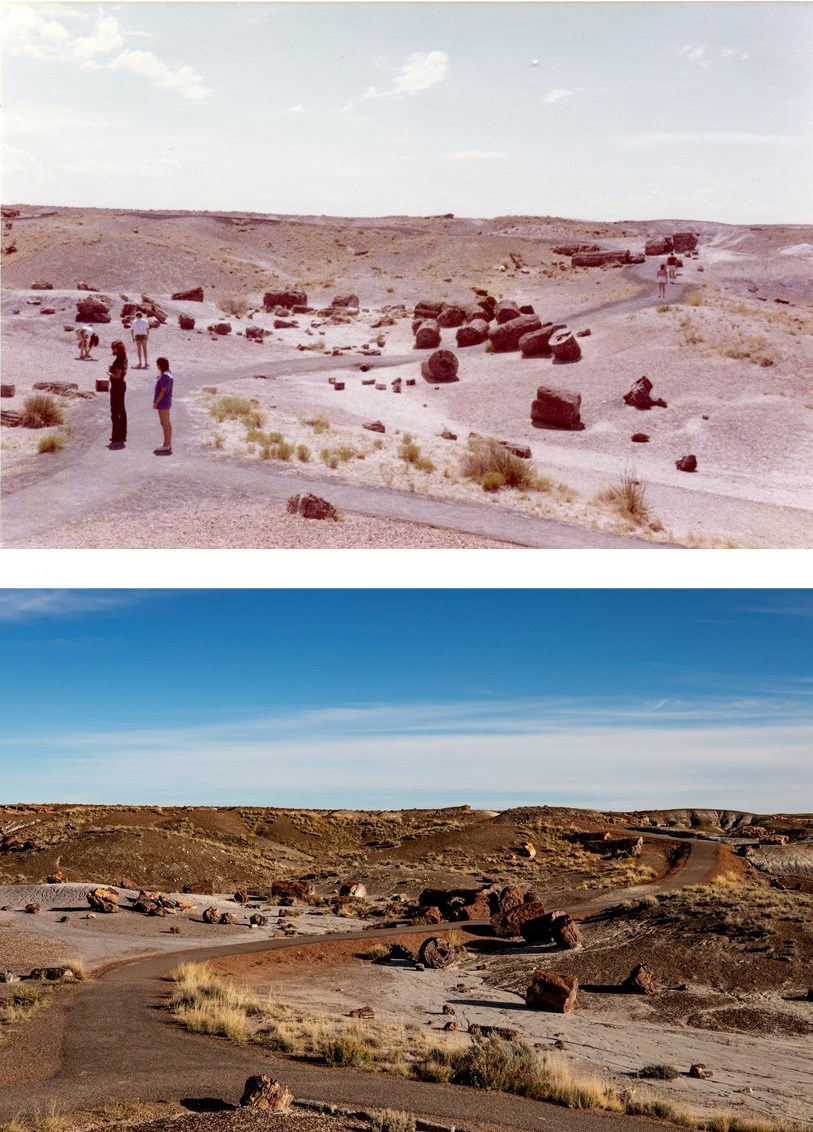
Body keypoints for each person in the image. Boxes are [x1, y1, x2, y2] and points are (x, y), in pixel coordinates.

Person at [108, 340, 128, 449]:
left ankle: (116, 435)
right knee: (121, 410)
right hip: (121, 386)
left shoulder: (120, 359)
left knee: (115, 411)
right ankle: (122, 434)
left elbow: (117, 375)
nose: (113, 350)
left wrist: (109, 372)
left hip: (117, 387)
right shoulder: (124, 358)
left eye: (114, 348)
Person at [153, 356, 173, 455]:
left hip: (163, 402)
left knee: (165, 423)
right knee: (166, 423)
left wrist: (156, 402)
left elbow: (163, 391)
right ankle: (167, 443)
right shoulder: (168, 374)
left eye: (157, 364)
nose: (157, 366)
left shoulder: (165, 375)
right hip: (167, 402)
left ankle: (166, 444)